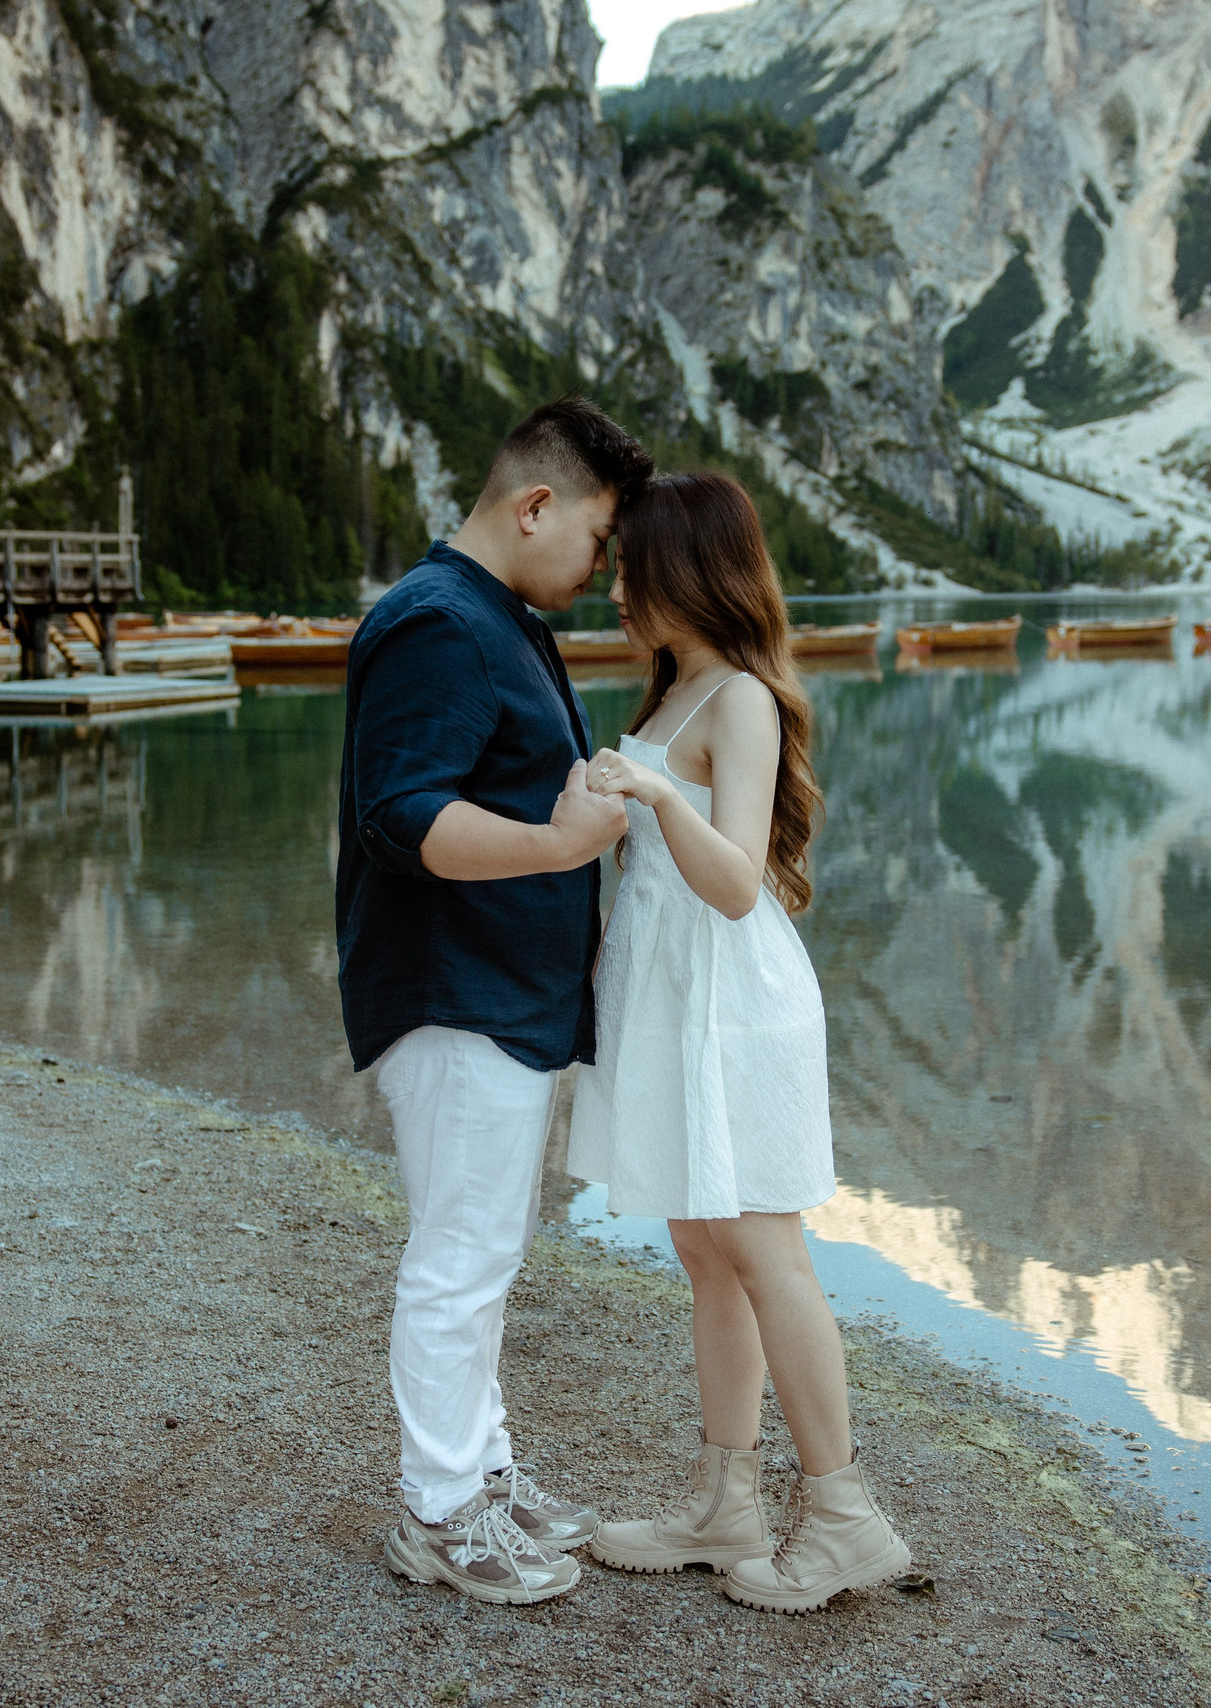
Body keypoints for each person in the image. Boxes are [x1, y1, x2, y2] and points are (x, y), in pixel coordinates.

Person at [567, 469, 911, 1614]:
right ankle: (726, 1500)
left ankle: (847, 1515)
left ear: (685, 570)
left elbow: (733, 881)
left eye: (630, 565)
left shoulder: (742, 702)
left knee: (769, 1251)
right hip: (669, 1003)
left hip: (735, 1000)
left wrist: (656, 802)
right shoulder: (676, 694)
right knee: (705, 1250)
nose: (613, 584)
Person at [337, 396, 656, 1605]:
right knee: (461, 1255)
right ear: (534, 506)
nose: (603, 566)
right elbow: (403, 816)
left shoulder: (493, 615)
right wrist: (564, 844)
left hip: (497, 992)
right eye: (598, 537)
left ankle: (484, 1469)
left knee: (485, 1243)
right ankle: (437, 1510)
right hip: (453, 991)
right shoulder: (439, 623)